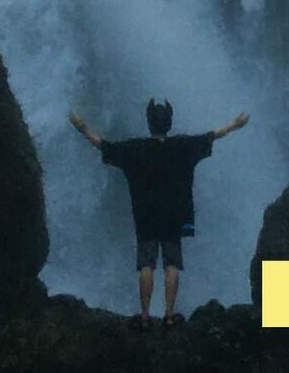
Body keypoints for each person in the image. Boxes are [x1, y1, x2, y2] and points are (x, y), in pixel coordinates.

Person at [69, 99, 250, 329]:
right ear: (169, 122)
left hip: (146, 214)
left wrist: (81, 127)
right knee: (172, 263)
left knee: (146, 264)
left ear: (149, 122)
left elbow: (103, 145)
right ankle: (169, 315)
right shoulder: (183, 146)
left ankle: (144, 316)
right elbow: (212, 136)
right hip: (176, 214)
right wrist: (235, 124)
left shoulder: (134, 149)